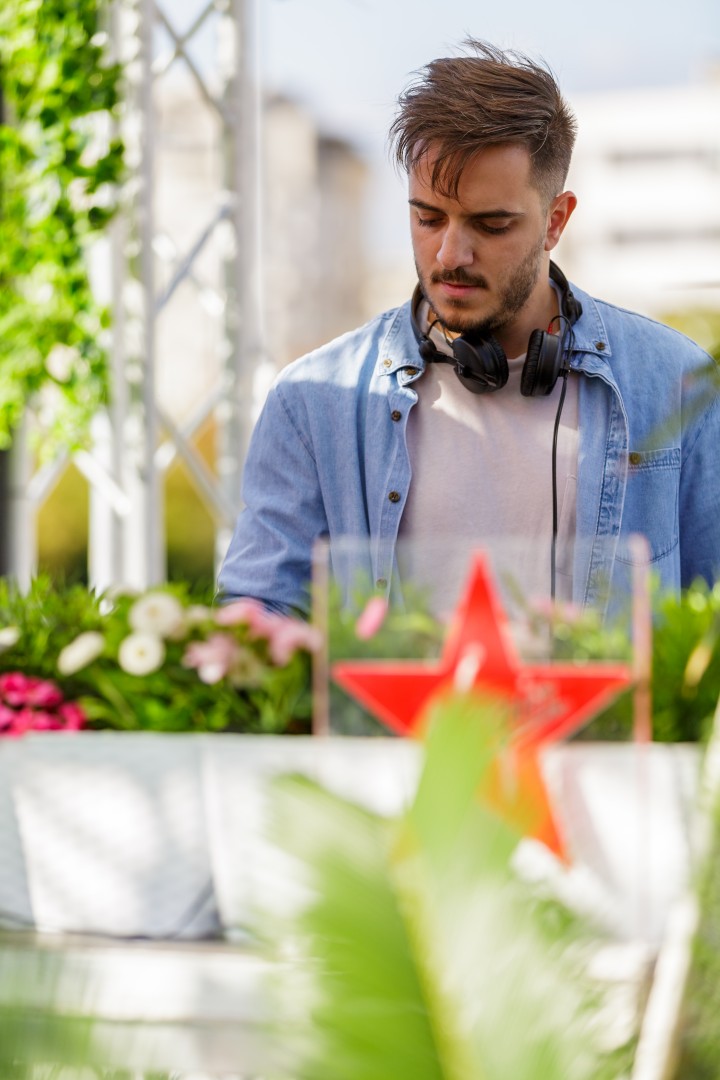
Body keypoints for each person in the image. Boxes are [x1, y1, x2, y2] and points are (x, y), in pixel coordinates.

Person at [218, 39, 720, 619]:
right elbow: (255, 625)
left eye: (491, 224)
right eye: (428, 217)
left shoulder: (679, 384)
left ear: (555, 220)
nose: (451, 253)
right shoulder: (311, 403)